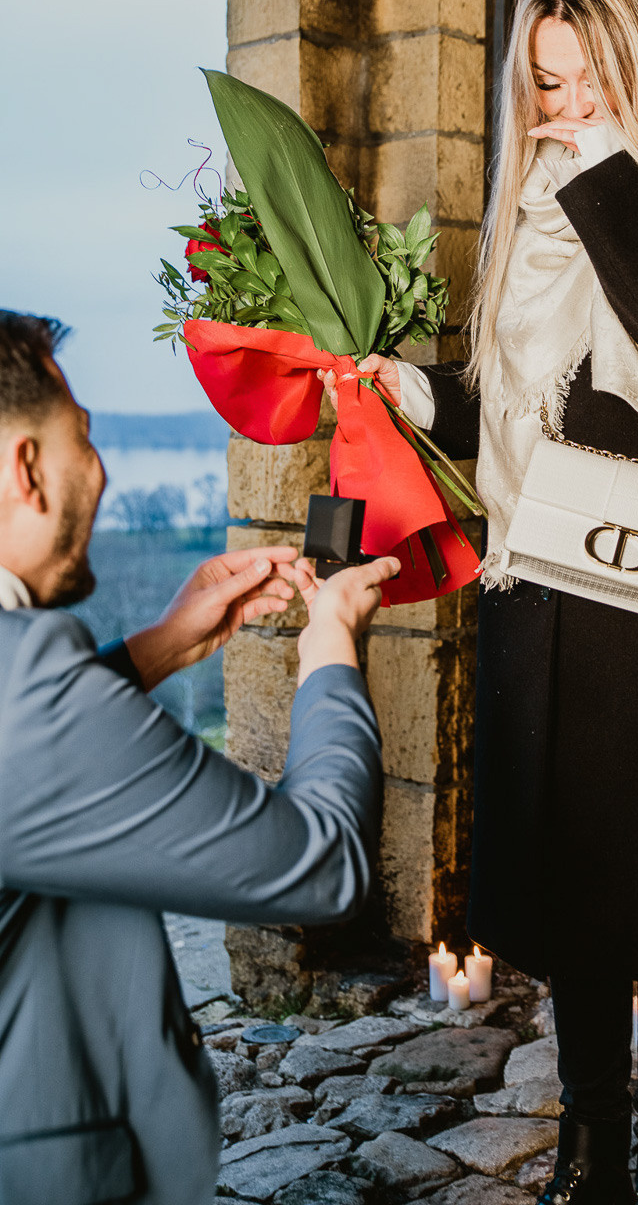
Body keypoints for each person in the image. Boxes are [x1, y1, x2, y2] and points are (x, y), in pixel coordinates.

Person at [322, 0, 638, 1205]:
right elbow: (520, 404)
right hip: (551, 592)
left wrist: (602, 175)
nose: (569, 107)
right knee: (585, 885)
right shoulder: (536, 211)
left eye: (591, 75)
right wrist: (413, 389)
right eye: (546, 85)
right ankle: (592, 1143)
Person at [0, 309, 399, 1205]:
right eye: (86, 440)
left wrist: (161, 648)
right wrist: (330, 648)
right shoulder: (24, 687)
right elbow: (324, 864)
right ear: (27, 470)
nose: (99, 472)